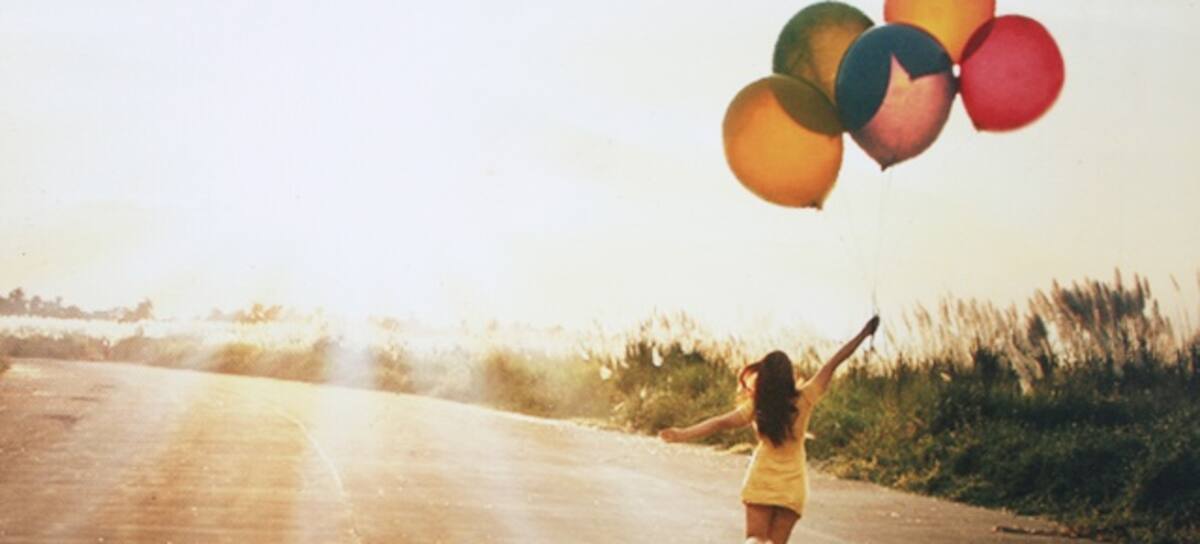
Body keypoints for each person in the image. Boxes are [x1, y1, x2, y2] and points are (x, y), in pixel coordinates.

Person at [659, 316, 880, 544]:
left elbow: (719, 422)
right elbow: (834, 362)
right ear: (790, 376)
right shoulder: (805, 398)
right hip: (792, 485)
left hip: (761, 479)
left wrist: (682, 434)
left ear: (763, 377)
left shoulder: (757, 405)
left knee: (755, 539)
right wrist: (864, 333)